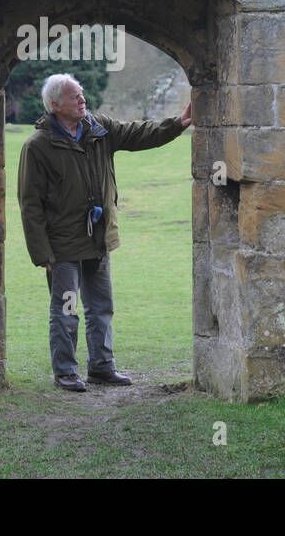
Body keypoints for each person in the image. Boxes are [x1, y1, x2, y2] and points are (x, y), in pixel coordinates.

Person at [17, 73, 192, 392]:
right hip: (62, 246)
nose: (82, 100)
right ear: (55, 105)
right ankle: (66, 371)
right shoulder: (37, 147)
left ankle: (101, 367)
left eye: (81, 94)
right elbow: (30, 205)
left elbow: (140, 134)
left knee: (101, 307)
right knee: (66, 310)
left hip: (98, 239)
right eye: (74, 97)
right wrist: (43, 255)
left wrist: (178, 123)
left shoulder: (100, 128)